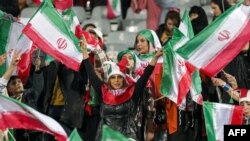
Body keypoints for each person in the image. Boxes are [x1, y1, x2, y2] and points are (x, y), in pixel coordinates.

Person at [80, 34, 163, 140]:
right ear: (109, 80)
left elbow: (145, 75)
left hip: (127, 137)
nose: (116, 80)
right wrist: (84, 52)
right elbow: (91, 75)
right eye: (113, 77)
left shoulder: (132, 92)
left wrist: (155, 57)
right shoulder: (103, 91)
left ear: (123, 79)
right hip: (106, 137)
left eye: (119, 77)